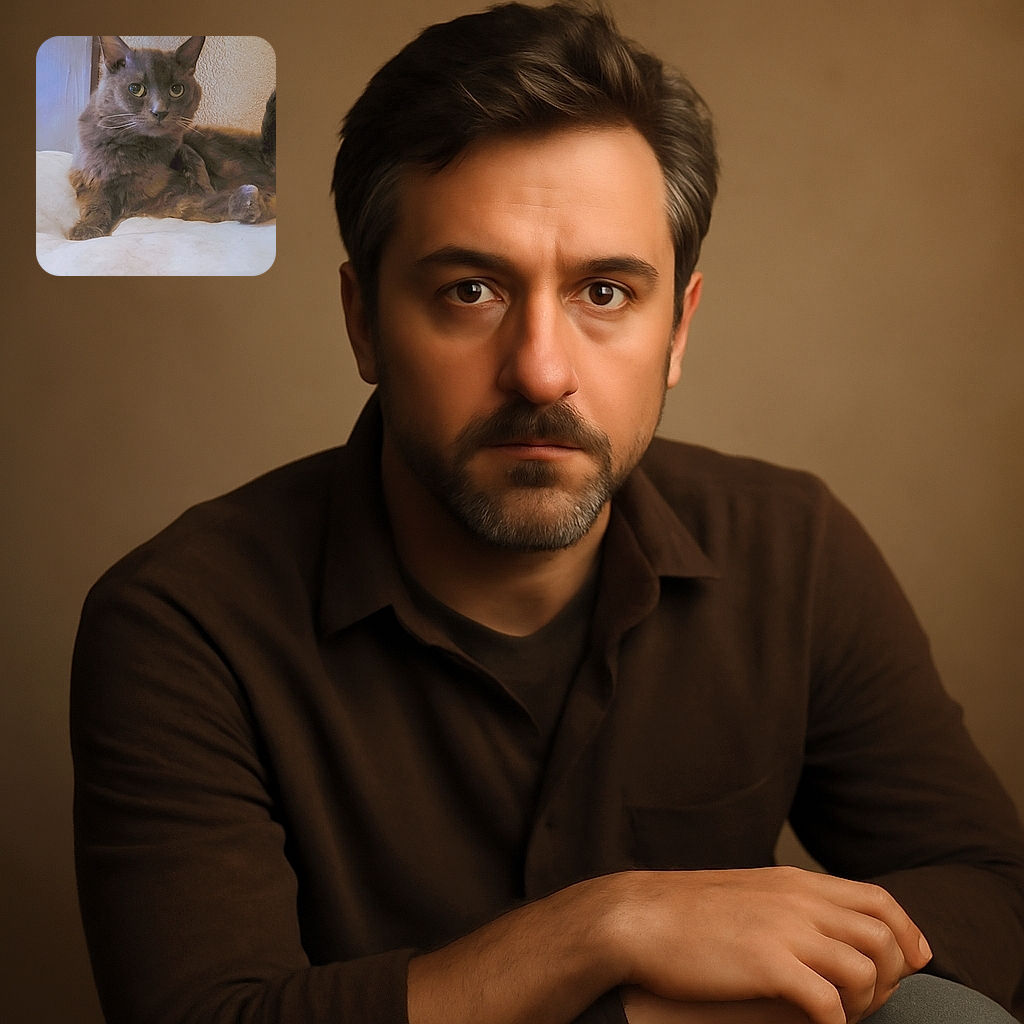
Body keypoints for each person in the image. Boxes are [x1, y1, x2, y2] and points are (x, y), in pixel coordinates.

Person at [70, 4, 1024, 1024]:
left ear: (677, 331)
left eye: (605, 293)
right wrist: (604, 924)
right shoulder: (180, 619)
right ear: (364, 321)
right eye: (471, 289)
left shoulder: (792, 547)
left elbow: (986, 891)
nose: (540, 368)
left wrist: (645, 1009)